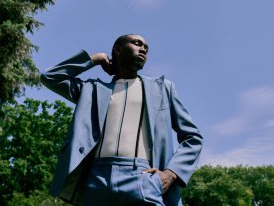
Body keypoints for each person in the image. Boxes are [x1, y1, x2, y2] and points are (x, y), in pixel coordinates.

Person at [41, 34, 203, 206]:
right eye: (137, 43)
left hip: (144, 178)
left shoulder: (163, 89)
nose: (143, 49)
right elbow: (50, 76)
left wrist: (170, 174)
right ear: (118, 49)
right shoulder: (92, 90)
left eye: (146, 49)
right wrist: (94, 59)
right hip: (95, 181)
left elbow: (193, 137)